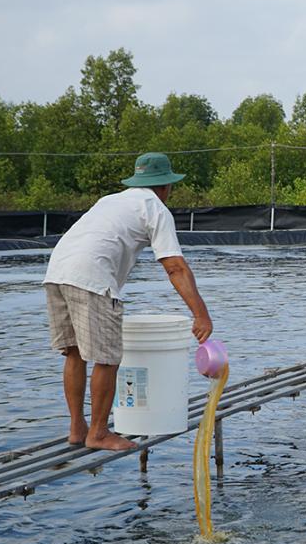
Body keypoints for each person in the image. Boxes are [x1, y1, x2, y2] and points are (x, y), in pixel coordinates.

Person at [43, 152, 213, 451]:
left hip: (57, 272)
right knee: (107, 358)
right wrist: (201, 315)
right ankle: (97, 433)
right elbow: (174, 266)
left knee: (74, 352)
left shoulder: (110, 200)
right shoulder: (156, 209)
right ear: (165, 186)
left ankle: (76, 428)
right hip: (91, 276)